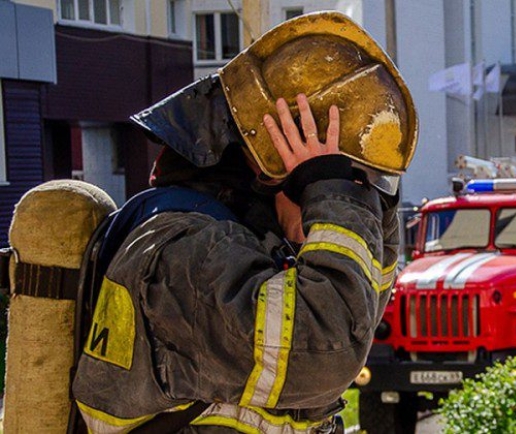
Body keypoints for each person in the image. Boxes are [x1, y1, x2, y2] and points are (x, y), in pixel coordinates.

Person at [70, 11, 417, 433]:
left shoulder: (249, 245)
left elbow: (360, 313)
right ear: (269, 169)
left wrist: (367, 203)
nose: (342, 202)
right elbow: (327, 351)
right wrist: (333, 193)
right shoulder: (186, 253)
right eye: (336, 183)